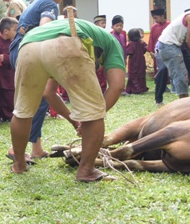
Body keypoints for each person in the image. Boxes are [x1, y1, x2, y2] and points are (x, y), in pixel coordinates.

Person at [10, 17, 125, 181]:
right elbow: (117, 86)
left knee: (23, 110)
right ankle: (86, 170)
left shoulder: (84, 33)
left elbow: (48, 92)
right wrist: (90, 117)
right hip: (66, 41)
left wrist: (75, 121)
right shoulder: (112, 43)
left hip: (29, 44)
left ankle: (19, 164)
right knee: (93, 111)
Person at [7, 0, 64, 161]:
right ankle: (17, 149)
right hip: (28, 53)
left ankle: (36, 148)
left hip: (20, 51)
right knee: (35, 101)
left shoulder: (37, 3)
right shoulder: (49, 3)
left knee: (39, 100)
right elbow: (45, 28)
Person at [157, 9, 190, 99]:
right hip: (168, 46)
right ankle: (183, 103)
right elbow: (188, 40)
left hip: (176, 46)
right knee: (181, 75)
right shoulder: (189, 17)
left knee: (184, 74)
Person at [0, 17, 18, 122]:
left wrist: (6, 57)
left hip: (11, 73)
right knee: (0, 96)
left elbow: (17, 55)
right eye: (15, 30)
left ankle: (9, 115)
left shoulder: (14, 42)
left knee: (10, 96)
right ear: (6, 31)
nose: (16, 32)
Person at [148, 8, 170, 105]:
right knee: (161, 70)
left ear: (162, 16)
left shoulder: (170, 25)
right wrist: (151, 51)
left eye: (156, 18)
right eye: (154, 18)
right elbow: (151, 39)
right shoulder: (154, 27)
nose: (155, 20)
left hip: (169, 51)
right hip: (158, 52)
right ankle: (161, 89)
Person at [124, 28, 148, 95]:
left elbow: (128, 52)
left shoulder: (131, 44)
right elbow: (145, 49)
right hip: (141, 61)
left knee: (133, 75)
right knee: (141, 74)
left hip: (133, 62)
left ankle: (136, 89)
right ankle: (142, 88)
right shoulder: (141, 43)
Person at [93, 14, 108, 92]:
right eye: (102, 23)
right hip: (96, 56)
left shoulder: (105, 33)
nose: (104, 25)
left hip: (103, 55)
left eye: (105, 23)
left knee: (103, 75)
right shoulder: (93, 33)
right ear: (96, 24)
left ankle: (103, 90)